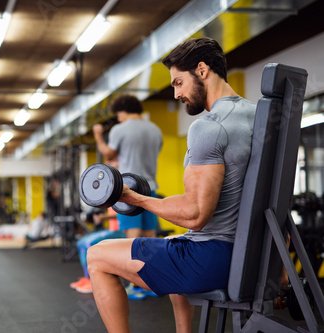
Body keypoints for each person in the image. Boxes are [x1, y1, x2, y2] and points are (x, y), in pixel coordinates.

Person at [86, 37, 257, 333]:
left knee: (97, 254)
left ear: (202, 70)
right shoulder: (257, 116)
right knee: (169, 242)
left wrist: (134, 198)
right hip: (253, 257)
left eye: (179, 82)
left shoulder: (208, 127)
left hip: (212, 260)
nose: (176, 93)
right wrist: (279, 274)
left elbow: (195, 215)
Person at [92, 94, 163, 239]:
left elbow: (109, 154)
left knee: (132, 233)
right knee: (150, 233)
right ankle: (151, 263)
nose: (118, 119)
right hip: (150, 188)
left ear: (124, 110)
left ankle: (133, 262)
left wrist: (97, 136)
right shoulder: (156, 130)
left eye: (118, 114)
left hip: (128, 189)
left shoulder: (120, 129)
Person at [69, 207, 125, 294]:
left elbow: (125, 214)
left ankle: (93, 280)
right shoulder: (109, 200)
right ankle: (87, 277)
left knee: (89, 244)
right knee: (80, 242)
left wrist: (104, 217)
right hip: (111, 230)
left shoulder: (121, 199)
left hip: (121, 231)